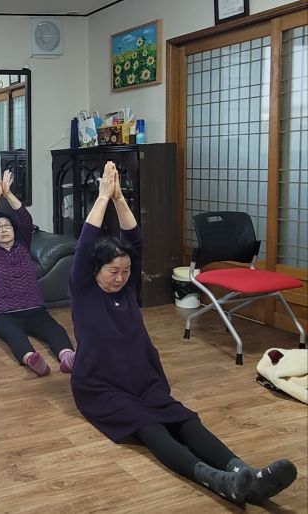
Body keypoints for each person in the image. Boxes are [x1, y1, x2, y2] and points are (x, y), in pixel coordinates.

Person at [69, 161, 297, 506]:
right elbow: (86, 243)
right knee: (150, 427)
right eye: (113, 271)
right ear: (94, 270)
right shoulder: (83, 290)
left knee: (184, 419)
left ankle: (246, 474)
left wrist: (119, 199)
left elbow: (135, 240)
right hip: (101, 386)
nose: (121, 278)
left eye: (126, 271)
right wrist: (102, 197)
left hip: (142, 378)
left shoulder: (127, 289)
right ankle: (218, 481)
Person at [0, 170, 75, 376]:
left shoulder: (23, 245)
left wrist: (8, 193)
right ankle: (32, 359)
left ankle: (67, 357)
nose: (3, 229)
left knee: (54, 329)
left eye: (7, 226)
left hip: (33, 308)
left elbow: (25, 218)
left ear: (15, 231)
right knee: (15, 337)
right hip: (3, 314)